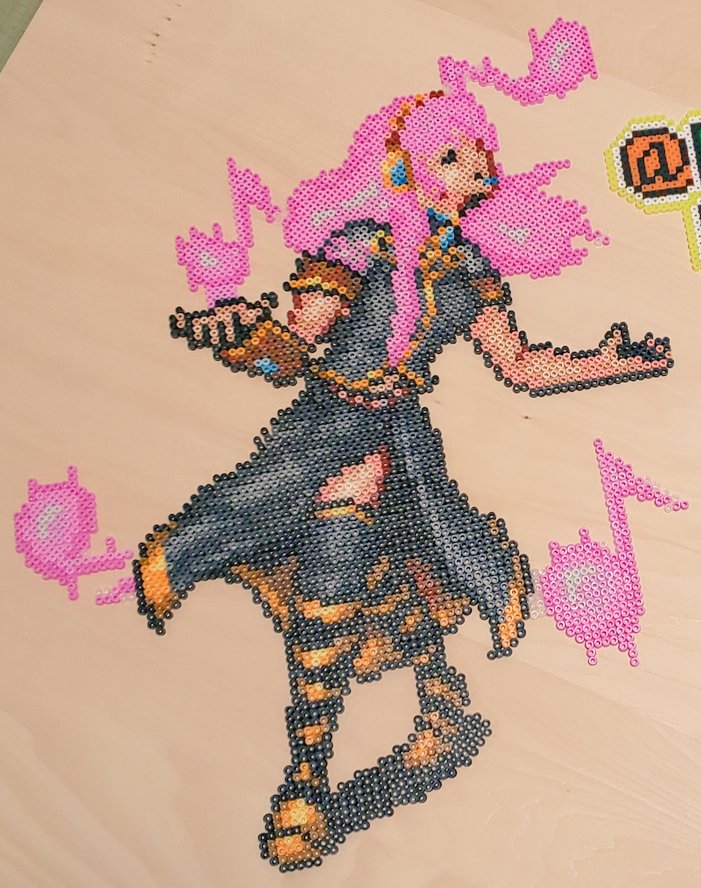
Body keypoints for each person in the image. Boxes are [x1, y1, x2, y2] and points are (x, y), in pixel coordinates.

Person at [135, 87, 672, 870]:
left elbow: (521, 365)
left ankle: (326, 774)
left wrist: (613, 365)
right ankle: (330, 769)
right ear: (408, 168)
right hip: (326, 428)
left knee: (373, 555)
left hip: (399, 439)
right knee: (333, 544)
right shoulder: (360, 246)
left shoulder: (472, 270)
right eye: (447, 154)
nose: (469, 164)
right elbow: (292, 346)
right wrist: (244, 338)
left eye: (473, 151)